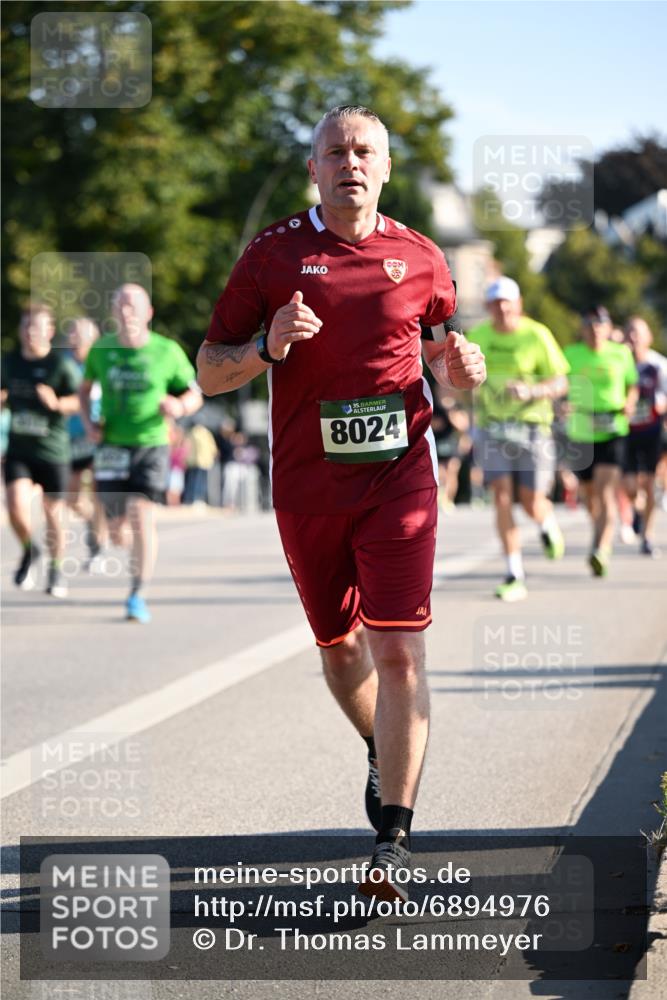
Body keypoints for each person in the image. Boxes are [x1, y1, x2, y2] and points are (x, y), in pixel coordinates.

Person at [197, 105, 486, 901]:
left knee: (398, 650)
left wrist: (465, 367)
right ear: (313, 170)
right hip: (306, 487)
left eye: (364, 151)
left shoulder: (422, 259)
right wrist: (266, 347)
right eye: (334, 151)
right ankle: (379, 743)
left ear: (385, 169)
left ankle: (392, 836)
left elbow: (443, 357)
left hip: (400, 480)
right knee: (339, 650)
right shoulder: (271, 255)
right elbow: (206, 371)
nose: (350, 162)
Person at [79, 284, 202, 622]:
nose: (126, 311)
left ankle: (137, 593)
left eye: (133, 305)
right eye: (119, 304)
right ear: (113, 312)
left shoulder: (167, 351)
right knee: (118, 530)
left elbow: (195, 394)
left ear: (148, 313)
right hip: (111, 446)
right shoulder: (101, 350)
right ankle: (122, 546)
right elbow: (85, 388)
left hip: (151, 444)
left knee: (141, 514)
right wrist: (89, 423)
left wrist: (178, 404)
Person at [467, 277, 569, 601]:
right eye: (495, 303)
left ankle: (547, 523)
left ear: (518, 304)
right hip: (492, 427)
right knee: (500, 496)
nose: (502, 309)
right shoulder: (478, 336)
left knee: (531, 502)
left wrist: (533, 391)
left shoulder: (537, 334)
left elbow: (561, 381)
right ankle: (514, 572)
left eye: (507, 302)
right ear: (488, 307)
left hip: (532, 427)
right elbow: (459, 376)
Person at [1, 302, 81, 597]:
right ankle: (29, 550)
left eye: (36, 327)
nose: (30, 332)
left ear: (49, 331)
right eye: (25, 326)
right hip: (20, 449)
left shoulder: (60, 366)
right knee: (15, 507)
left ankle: (56, 569)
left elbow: (77, 401)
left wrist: (57, 403)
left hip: (53, 451)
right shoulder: (9, 363)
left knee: (53, 514)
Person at [564, 306, 639, 577]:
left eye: (600, 325)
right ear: (583, 329)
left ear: (608, 328)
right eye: (590, 324)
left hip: (613, 429)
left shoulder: (621, 354)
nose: (595, 330)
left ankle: (601, 549)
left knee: (606, 491)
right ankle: (600, 530)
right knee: (588, 496)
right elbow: (560, 383)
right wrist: (562, 402)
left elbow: (632, 384)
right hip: (581, 431)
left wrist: (629, 403)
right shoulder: (571, 354)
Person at [622, 316, 667, 556]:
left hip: (651, 431)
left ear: (649, 337)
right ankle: (638, 509)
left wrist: (661, 404)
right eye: (629, 332)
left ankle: (647, 537)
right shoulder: (618, 362)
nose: (633, 337)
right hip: (624, 432)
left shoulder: (659, 364)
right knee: (629, 487)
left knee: (649, 484)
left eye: (638, 333)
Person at [65, 317, 107, 566]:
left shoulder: (102, 364)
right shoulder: (63, 365)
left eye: (78, 336)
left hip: (98, 437)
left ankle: (97, 549)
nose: (72, 341)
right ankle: (96, 525)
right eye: (70, 336)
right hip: (69, 438)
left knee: (98, 494)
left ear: (93, 340)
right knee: (71, 499)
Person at [183, 422, 218, 505]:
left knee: (194, 481)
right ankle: (196, 498)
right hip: (202, 461)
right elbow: (212, 447)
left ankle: (192, 499)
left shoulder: (191, 433)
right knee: (198, 481)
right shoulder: (205, 433)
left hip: (196, 461)